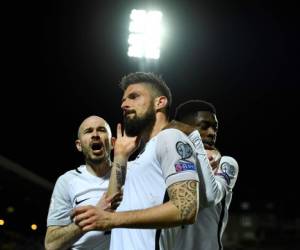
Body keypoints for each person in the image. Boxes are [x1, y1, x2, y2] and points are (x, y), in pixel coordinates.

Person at [72, 72, 202, 250]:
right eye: (124, 100)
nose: (124, 105)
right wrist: (120, 156)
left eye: (134, 97)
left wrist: (111, 220)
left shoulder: (171, 138)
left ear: (160, 102)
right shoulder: (141, 156)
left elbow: (186, 209)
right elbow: (111, 204)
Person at [44, 115, 127, 250]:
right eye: (88, 131)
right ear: (79, 145)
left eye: (101, 130)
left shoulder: (130, 174)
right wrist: (94, 215)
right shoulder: (67, 181)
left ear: (113, 143)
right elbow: (51, 244)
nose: (95, 135)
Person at [172, 99, 239, 250]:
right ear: (184, 128)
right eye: (204, 126)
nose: (212, 133)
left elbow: (210, 196)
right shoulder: (168, 162)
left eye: (215, 127)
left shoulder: (226, 163)